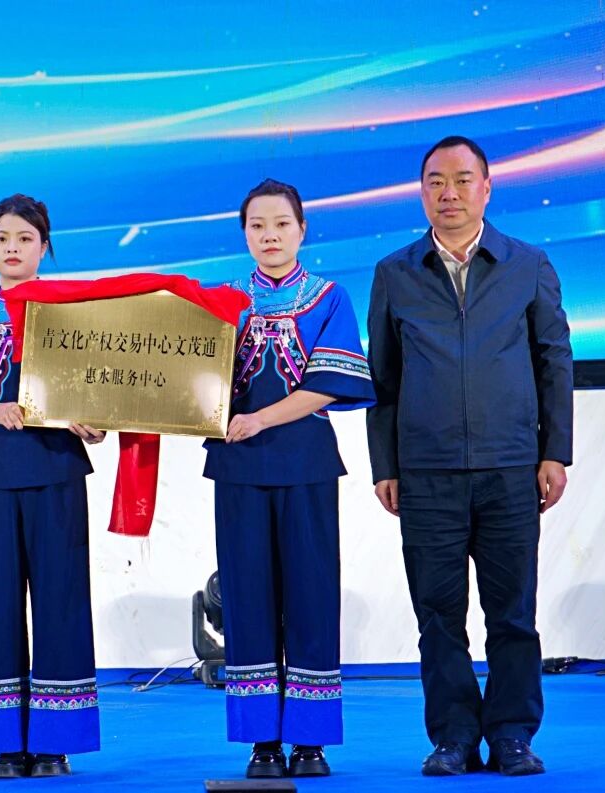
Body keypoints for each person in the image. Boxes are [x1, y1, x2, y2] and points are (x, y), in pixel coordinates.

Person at [366, 135, 573, 777]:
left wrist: (555, 451)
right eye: (435, 181)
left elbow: (553, 361)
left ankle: (512, 734)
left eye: (461, 180)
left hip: (511, 466)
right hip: (426, 473)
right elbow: (383, 379)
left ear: (487, 187)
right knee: (438, 615)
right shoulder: (395, 273)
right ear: (421, 192)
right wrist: (385, 465)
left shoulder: (526, 264)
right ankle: (453, 736)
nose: (448, 193)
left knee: (513, 613)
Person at [204, 179, 375, 779]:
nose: (269, 235)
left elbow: (327, 386)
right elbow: (190, 383)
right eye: (257, 226)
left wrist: (259, 419)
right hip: (239, 469)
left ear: (302, 229)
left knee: (311, 596)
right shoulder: (222, 302)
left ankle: (309, 739)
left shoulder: (329, 297)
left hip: (305, 464)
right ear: (244, 233)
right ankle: (261, 742)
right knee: (246, 600)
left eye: (281, 224)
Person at [0, 194, 107, 779]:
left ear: (45, 248)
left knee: (61, 602)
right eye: (2, 239)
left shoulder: (74, 317)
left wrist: (95, 422)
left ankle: (55, 742)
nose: (12, 248)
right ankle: (4, 743)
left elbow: (102, 394)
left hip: (57, 473)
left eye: (25, 238)